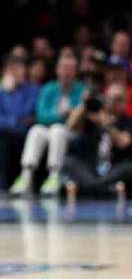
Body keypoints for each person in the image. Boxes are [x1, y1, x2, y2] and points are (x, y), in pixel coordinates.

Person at [10, 51, 85, 196]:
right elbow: (41, 116)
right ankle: (26, 176)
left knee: (58, 129)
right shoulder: (47, 89)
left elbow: (77, 119)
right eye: (64, 68)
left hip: (72, 133)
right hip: (47, 129)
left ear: (75, 72)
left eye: (70, 69)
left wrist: (64, 118)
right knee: (36, 130)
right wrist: (62, 115)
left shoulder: (81, 90)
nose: (67, 72)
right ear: (57, 70)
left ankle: (54, 176)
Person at [61, 82, 132, 198]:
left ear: (125, 102)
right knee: (71, 161)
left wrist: (106, 125)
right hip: (91, 167)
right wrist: (84, 104)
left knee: (129, 168)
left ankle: (88, 187)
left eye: (118, 99)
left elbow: (124, 142)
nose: (114, 103)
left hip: (114, 167)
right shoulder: (93, 117)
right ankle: (107, 189)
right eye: (111, 99)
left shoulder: (127, 122)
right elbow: (69, 127)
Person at [0, 53, 39, 187]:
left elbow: (25, 113)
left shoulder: (33, 90)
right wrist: (4, 91)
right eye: (11, 69)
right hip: (6, 131)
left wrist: (10, 93)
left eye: (18, 68)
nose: (15, 72)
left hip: (24, 135)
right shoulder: (1, 91)